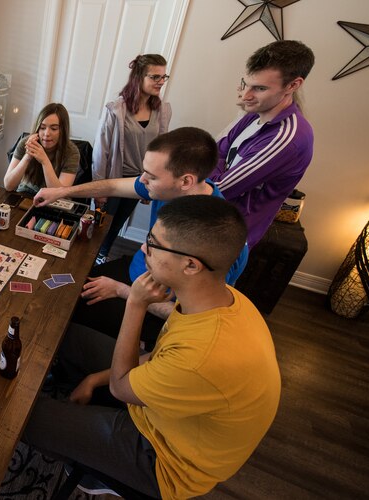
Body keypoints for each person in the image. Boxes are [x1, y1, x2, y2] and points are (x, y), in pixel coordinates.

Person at [24, 195, 280, 498]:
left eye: (154, 244)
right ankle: (83, 436)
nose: (143, 249)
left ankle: (103, 471)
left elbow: (122, 387)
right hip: (164, 407)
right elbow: (158, 358)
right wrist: (93, 379)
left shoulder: (203, 356)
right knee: (66, 335)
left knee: (23, 417)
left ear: (190, 265)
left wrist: (136, 302)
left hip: (162, 459)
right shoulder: (223, 302)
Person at [34, 127, 248, 346]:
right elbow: (113, 185)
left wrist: (121, 290)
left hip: (155, 309)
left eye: (152, 176)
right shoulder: (167, 187)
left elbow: (195, 318)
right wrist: (62, 192)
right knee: (63, 294)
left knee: (66, 321)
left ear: (186, 181)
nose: (142, 180)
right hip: (137, 273)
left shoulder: (219, 236)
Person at [211, 40, 315, 247]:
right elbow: (217, 152)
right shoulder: (255, 114)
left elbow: (219, 190)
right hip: (209, 218)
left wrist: (212, 172)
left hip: (227, 236)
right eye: (245, 84)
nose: (245, 96)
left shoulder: (286, 138)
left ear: (293, 85)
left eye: (259, 88)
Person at [93, 54, 172, 265]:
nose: (161, 82)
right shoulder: (116, 110)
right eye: (155, 77)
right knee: (102, 223)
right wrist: (98, 187)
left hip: (139, 180)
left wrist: (154, 183)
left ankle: (103, 255)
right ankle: (90, 257)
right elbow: (101, 150)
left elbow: (162, 151)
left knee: (118, 222)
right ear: (139, 77)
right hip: (114, 179)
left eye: (164, 77)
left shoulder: (163, 111)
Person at [3, 102, 79, 195]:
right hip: (25, 195)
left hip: (53, 203)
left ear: (63, 130)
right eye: (42, 128)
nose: (46, 133)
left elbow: (59, 195)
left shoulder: (72, 152)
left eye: (54, 129)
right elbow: (8, 185)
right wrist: (27, 156)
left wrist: (44, 161)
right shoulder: (26, 142)